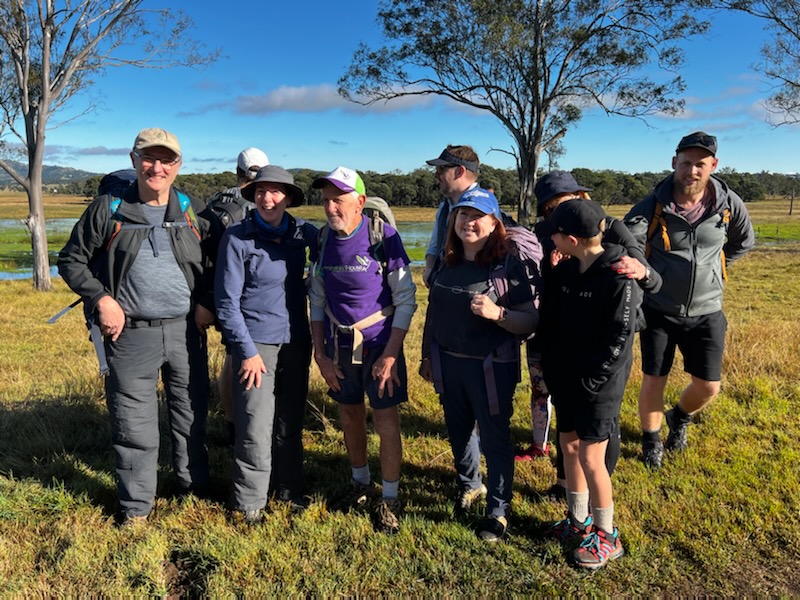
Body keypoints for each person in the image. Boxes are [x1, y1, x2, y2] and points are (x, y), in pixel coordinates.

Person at [58, 127, 210, 524]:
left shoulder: (188, 208)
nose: (156, 167)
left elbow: (212, 263)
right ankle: (136, 508)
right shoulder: (108, 208)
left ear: (178, 165)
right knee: (133, 425)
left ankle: (194, 489)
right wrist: (101, 299)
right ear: (134, 160)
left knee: (191, 414)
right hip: (129, 336)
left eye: (166, 160)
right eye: (148, 158)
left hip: (185, 332)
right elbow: (71, 259)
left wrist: (207, 303)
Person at [525, 170, 663, 497]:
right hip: (563, 336)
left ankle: (598, 485)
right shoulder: (549, 232)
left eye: (559, 206)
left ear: (580, 197)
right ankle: (566, 486)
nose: (553, 216)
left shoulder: (612, 229)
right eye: (547, 211)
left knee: (599, 426)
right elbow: (547, 281)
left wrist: (641, 273)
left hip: (605, 339)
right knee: (568, 424)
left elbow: (649, 278)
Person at [624, 132, 755, 469]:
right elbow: (628, 242)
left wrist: (714, 270)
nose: (692, 170)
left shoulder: (728, 204)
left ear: (713, 165)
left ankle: (679, 416)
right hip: (658, 309)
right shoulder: (653, 204)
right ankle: (651, 439)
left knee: (709, 386)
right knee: (654, 378)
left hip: (707, 310)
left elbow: (743, 242)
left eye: (700, 164)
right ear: (674, 163)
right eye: (686, 163)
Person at [420, 187, 537, 542]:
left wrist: (497, 313)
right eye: (462, 215)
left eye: (477, 216)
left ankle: (499, 511)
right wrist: (427, 354)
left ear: (494, 223)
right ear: (453, 220)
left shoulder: (508, 265)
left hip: (491, 369)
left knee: (495, 438)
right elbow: (433, 311)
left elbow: (531, 320)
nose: (468, 222)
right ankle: (470, 485)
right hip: (449, 364)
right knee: (458, 432)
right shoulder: (446, 260)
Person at [308, 166, 417, 534]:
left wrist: (390, 354)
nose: (330, 207)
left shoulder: (382, 237)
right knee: (350, 415)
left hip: (379, 343)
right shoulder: (322, 240)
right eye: (325, 201)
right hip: (339, 347)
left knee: (386, 421)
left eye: (338, 200)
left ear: (359, 202)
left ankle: (390, 498)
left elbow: (405, 300)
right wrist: (320, 354)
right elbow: (318, 299)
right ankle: (360, 484)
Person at [539, 199, 640, 569]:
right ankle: (578, 523)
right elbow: (551, 315)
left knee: (592, 457)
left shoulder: (618, 275)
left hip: (600, 385)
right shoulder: (566, 270)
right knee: (569, 446)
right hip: (567, 378)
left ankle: (606, 534)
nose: (550, 239)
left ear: (572, 239)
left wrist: (594, 381)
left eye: (555, 235)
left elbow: (620, 336)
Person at [214, 165, 316, 522]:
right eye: (260, 191)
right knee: (255, 424)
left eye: (275, 192)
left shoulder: (306, 234)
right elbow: (226, 303)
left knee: (290, 422)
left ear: (288, 198)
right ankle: (250, 502)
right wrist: (246, 351)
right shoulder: (238, 238)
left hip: (297, 342)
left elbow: (339, 252)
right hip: (256, 345)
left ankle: (289, 490)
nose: (267, 198)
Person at [197, 147, 269, 446]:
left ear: (237, 171)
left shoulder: (216, 200)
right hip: (242, 292)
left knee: (231, 355)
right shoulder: (255, 203)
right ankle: (246, 420)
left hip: (212, 289)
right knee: (242, 355)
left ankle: (229, 420)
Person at [423, 145, 481, 286]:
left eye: (441, 169)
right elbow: (435, 246)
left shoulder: (484, 209)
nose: (437, 175)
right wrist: (430, 269)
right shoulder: (445, 206)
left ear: (459, 171)